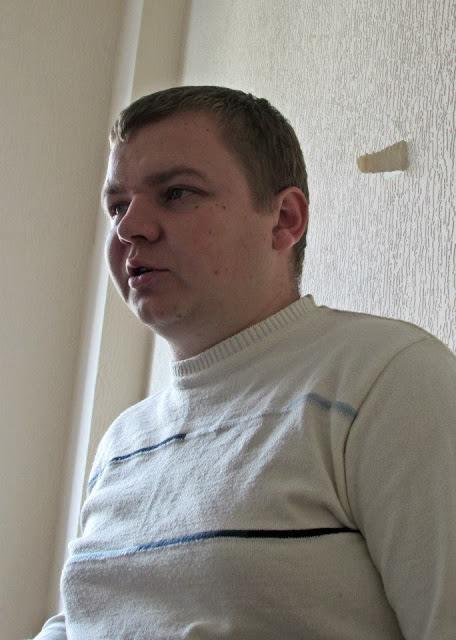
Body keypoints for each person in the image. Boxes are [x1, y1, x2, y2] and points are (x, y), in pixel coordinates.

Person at [34, 86, 456, 639]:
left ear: (284, 220)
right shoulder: (122, 443)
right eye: (118, 206)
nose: (129, 227)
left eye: (177, 192)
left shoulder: (387, 378)